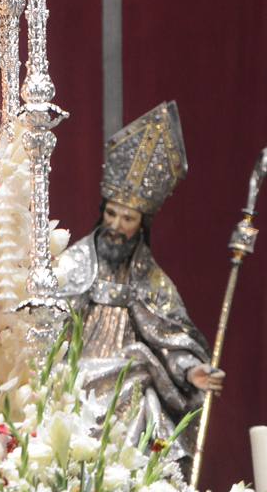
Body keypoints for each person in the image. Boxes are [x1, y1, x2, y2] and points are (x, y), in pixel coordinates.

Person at [55, 101, 222, 471]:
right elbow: (47, 330)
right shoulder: (72, 265)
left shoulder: (152, 280)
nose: (116, 224)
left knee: (142, 388)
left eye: (127, 217)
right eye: (111, 213)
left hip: (130, 378)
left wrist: (192, 371)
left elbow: (172, 336)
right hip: (77, 375)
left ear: (141, 224)